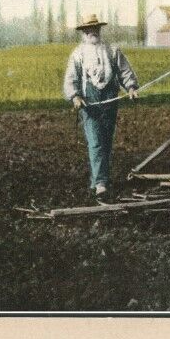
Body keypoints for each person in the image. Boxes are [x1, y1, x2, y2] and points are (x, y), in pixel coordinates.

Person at [63, 13, 140, 203]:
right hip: (89, 101)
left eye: (95, 28)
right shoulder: (78, 54)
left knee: (105, 141)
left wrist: (130, 87)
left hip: (109, 99)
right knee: (95, 141)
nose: (92, 32)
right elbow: (70, 79)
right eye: (88, 30)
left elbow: (124, 71)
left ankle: (99, 179)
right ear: (83, 32)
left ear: (99, 30)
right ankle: (100, 184)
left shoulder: (112, 50)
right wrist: (75, 96)